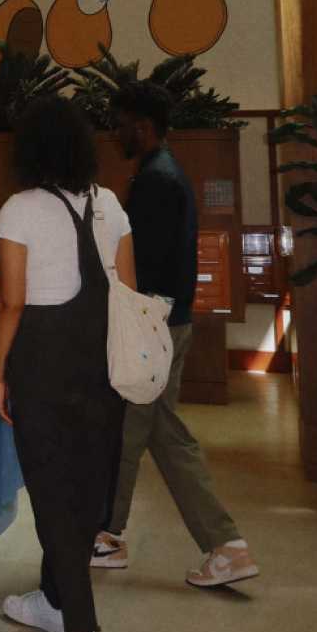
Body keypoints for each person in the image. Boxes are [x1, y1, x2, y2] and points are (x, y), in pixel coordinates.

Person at [0, 97, 136, 632]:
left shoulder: (19, 208)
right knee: (82, 492)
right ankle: (53, 600)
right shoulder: (112, 204)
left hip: (42, 366)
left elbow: (11, 300)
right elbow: (129, 290)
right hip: (106, 365)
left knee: (52, 497)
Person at [92, 81, 258, 588]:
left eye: (120, 124)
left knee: (129, 428)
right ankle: (221, 546)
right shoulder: (163, 174)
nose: (115, 133)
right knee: (161, 434)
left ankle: (111, 536)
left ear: (141, 127)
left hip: (153, 327)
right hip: (167, 324)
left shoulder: (156, 183)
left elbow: (144, 266)